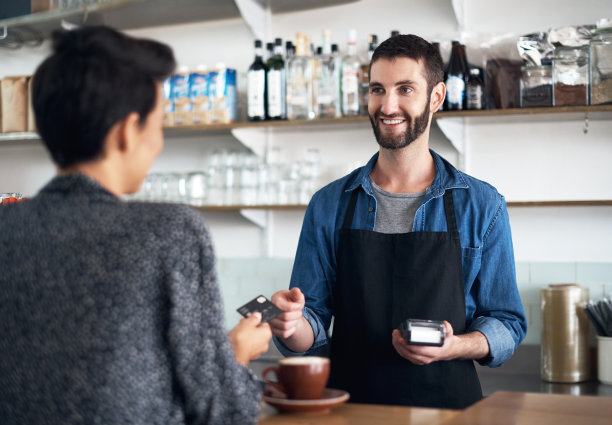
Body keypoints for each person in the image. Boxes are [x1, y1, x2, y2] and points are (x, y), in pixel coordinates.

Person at [0, 26, 271, 425]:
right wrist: (235, 353)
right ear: (128, 131)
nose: (158, 141)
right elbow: (224, 411)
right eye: (157, 124)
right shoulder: (170, 232)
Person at [270, 34, 527, 409]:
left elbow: (507, 321)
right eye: (378, 89)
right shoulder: (328, 205)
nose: (388, 105)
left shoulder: (482, 205)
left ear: (436, 98)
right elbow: (312, 320)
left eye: (405, 89)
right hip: (350, 412)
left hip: (449, 413)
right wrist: (291, 325)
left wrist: (458, 346)